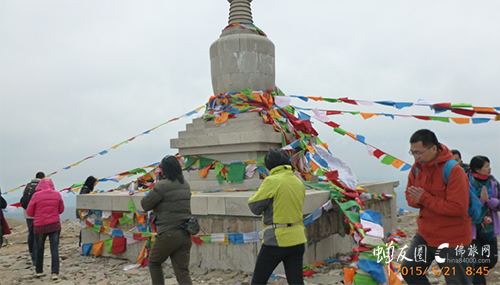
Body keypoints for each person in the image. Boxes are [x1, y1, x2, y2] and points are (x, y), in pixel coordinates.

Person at [402, 129, 472, 285]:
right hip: (425, 233)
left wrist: (424, 198)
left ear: (433, 148)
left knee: (457, 281)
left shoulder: (453, 171)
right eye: (412, 153)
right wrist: (419, 199)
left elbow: (458, 207)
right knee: (409, 271)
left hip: (452, 238)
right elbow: (410, 197)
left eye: (419, 152)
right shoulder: (417, 168)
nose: (416, 157)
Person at [248, 149, 306, 285]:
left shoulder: (272, 181)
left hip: (277, 238)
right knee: (296, 281)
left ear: (269, 166)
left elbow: (255, 207)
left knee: (258, 280)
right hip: (297, 238)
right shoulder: (297, 181)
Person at [141, 155, 193, 285]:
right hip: (185, 233)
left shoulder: (162, 186)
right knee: (182, 271)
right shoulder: (185, 184)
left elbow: (145, 204)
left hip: (168, 232)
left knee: (154, 262)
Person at [468, 155, 499, 285]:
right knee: (477, 262)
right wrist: (481, 201)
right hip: (472, 230)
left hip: (489, 228)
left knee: (491, 259)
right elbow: (465, 207)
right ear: (477, 169)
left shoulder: (492, 182)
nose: (489, 169)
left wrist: (489, 201)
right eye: (486, 166)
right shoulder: (466, 182)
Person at [26, 178, 65, 280]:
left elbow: (29, 212)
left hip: (39, 226)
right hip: (54, 225)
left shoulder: (36, 195)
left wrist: (39, 214)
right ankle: (55, 272)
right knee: (54, 249)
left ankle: (39, 271)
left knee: (39, 248)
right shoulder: (57, 194)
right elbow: (61, 210)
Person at [20, 171, 45, 263]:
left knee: (30, 232)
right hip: (37, 213)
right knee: (37, 234)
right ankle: (36, 254)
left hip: (27, 212)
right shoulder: (41, 187)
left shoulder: (28, 186)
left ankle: (31, 251)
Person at [77, 175, 96, 247]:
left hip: (84, 211)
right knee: (84, 226)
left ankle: (81, 243)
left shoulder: (86, 188)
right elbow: (83, 199)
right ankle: (81, 243)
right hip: (83, 212)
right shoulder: (85, 189)